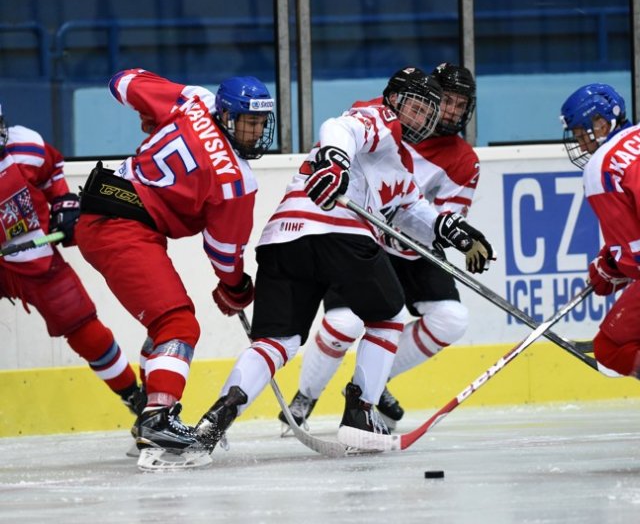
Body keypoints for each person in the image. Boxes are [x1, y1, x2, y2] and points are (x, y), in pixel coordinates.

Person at [194, 66, 493, 453]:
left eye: (425, 112)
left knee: (277, 341)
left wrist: (451, 230)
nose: (417, 117)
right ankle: (361, 414)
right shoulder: (377, 119)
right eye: (411, 106)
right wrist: (335, 160)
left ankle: (216, 419)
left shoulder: (397, 163)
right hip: (339, 235)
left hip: (283, 240)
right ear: (393, 100)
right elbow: (340, 128)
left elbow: (412, 210)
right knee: (387, 317)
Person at [74, 69, 275, 467]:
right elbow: (223, 252)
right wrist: (235, 288)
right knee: (179, 325)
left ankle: (150, 416)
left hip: (109, 214)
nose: (254, 133)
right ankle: (157, 418)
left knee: (166, 325)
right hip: (122, 228)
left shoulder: (193, 100)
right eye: (247, 123)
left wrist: (150, 117)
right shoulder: (236, 180)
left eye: (260, 124)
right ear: (227, 116)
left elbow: (122, 81)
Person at [277, 62, 481, 431]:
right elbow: (341, 144)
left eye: (459, 103)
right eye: (445, 100)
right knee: (342, 322)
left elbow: (439, 220)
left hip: (408, 245)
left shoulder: (464, 160)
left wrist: (446, 232)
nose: (451, 110)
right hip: (357, 233)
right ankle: (305, 395)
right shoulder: (385, 114)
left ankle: (371, 382)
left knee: (452, 319)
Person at [0, 104, 145, 417]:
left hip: (29, 251)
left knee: (79, 321)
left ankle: (135, 398)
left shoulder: (24, 145)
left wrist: (63, 202)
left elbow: (52, 169)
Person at [560, 83, 640, 379]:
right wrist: (611, 260)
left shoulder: (601, 165)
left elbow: (635, 258)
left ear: (602, 123)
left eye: (583, 135)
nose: (581, 145)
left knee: (609, 349)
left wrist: (608, 269)